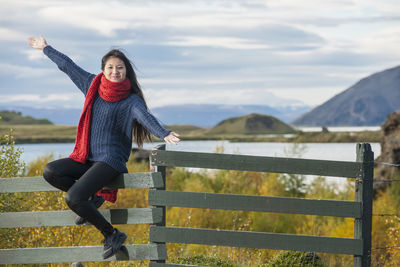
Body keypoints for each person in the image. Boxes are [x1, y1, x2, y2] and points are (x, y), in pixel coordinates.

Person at [27, 35, 180, 259]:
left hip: (111, 160)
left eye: (120, 68)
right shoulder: (92, 85)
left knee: (73, 198)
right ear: (103, 69)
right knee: (51, 171)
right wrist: (45, 48)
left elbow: (145, 117)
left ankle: (112, 234)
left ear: (126, 71)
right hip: (88, 157)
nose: (115, 71)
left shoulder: (131, 101)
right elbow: (67, 66)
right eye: (110, 67)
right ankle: (93, 200)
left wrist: (163, 133)